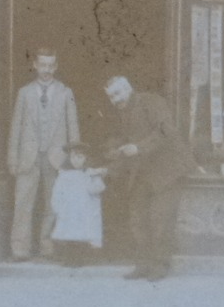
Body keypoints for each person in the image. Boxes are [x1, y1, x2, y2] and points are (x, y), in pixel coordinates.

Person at [104, 75, 188, 280]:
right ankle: (143, 264)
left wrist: (139, 148)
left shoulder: (151, 102)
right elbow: (125, 141)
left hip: (166, 171)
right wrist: (113, 156)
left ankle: (160, 266)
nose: (116, 100)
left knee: (161, 219)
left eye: (118, 93)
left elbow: (166, 131)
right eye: (111, 97)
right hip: (141, 172)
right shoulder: (123, 113)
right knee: (138, 219)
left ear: (129, 88)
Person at [6, 47, 80, 260]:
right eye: (42, 65)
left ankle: (48, 248)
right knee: (23, 203)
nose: (46, 70)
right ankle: (19, 249)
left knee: (54, 203)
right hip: (28, 157)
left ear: (55, 66)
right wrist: (12, 158)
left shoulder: (66, 93)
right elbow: (15, 128)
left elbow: (73, 127)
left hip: (56, 158)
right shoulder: (24, 93)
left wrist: (74, 158)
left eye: (51, 65)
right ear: (35, 65)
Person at [49, 142, 106, 266]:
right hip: (69, 211)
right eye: (73, 157)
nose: (76, 160)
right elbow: (57, 192)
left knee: (82, 235)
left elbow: (96, 189)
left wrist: (96, 177)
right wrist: (57, 207)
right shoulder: (64, 175)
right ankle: (69, 259)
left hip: (84, 211)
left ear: (86, 158)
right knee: (69, 235)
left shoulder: (89, 173)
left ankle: (80, 259)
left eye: (80, 157)